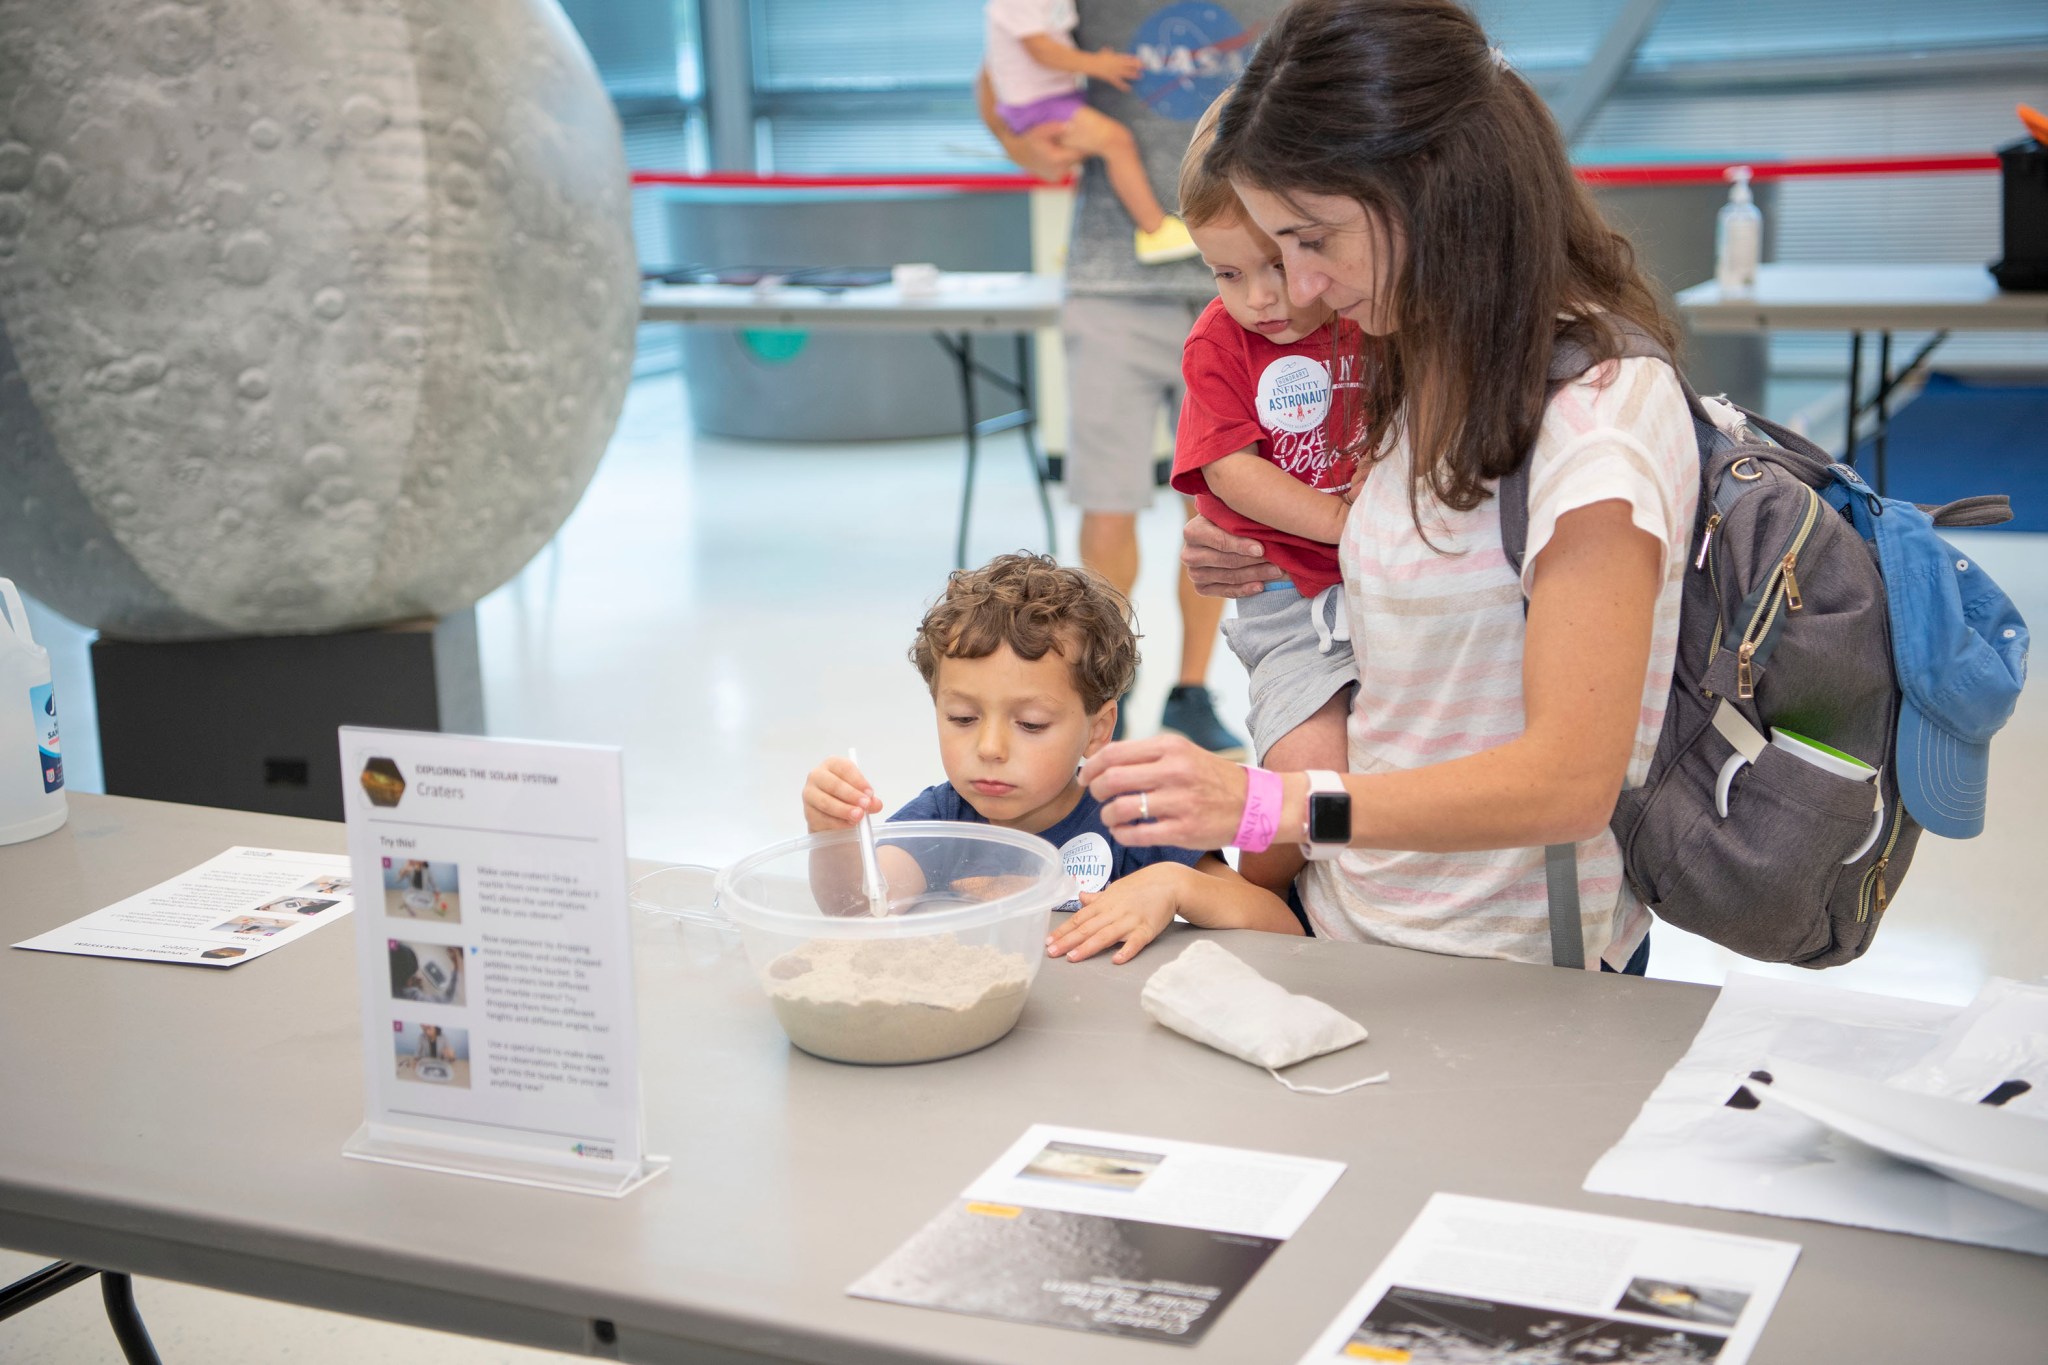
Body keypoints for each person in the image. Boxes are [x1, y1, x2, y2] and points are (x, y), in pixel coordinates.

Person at [1082, 0, 1701, 974]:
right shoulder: (1410, 352)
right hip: (1352, 926)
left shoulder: (1595, 419)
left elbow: (1570, 781)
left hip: (1505, 973)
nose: (1301, 288)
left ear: (1431, 193)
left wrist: (1266, 802)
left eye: (1313, 240)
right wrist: (1251, 546)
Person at [976, 0, 1282, 761]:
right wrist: (1023, 140)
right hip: (1112, 280)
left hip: (1244, 283)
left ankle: (1192, 688)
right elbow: (995, 74)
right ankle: (1107, 686)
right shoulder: (1086, 6)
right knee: (1107, 502)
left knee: (1217, 509)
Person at [802, 552, 1299, 964]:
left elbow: (1281, 929)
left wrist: (1176, 884)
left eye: (1032, 724)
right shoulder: (943, 821)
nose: (990, 749)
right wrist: (836, 836)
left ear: (1098, 729)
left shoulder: (1133, 821)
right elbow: (862, 909)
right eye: (961, 718)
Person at [1169, 90, 1358, 898]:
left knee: (1372, 792)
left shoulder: (1366, 312)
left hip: (1392, 590)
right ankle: (1257, 897)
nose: (1259, 298)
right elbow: (1228, 468)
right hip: (1289, 599)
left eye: (1277, 265)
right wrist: (1346, 525)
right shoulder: (1219, 339)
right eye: (1227, 273)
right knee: (1306, 779)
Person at [983, 1, 1197, 264]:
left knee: (1105, 148)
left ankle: (1081, 241)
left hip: (1055, 95)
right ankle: (1154, 230)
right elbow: (1029, 53)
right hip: (1039, 104)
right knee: (1115, 142)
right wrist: (1096, 65)